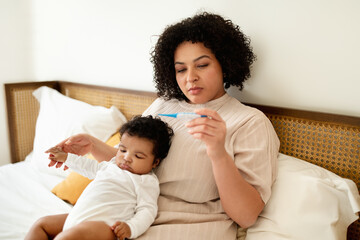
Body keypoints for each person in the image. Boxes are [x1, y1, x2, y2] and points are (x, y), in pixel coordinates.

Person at [47, 12, 280, 239]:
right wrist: (92, 146)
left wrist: (218, 153)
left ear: (225, 63)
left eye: (202, 65)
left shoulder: (249, 122)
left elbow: (247, 216)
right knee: (44, 227)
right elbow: (130, 165)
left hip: (181, 226)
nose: (190, 78)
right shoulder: (162, 106)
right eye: (181, 69)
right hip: (127, 215)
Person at [25, 115, 174, 240]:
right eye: (122, 150)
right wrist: (66, 158)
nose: (126, 158)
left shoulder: (146, 181)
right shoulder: (111, 165)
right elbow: (89, 166)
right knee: (42, 224)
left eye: (138, 156)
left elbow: (147, 211)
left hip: (106, 228)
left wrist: (131, 227)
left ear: (155, 162)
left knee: (74, 234)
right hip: (77, 218)